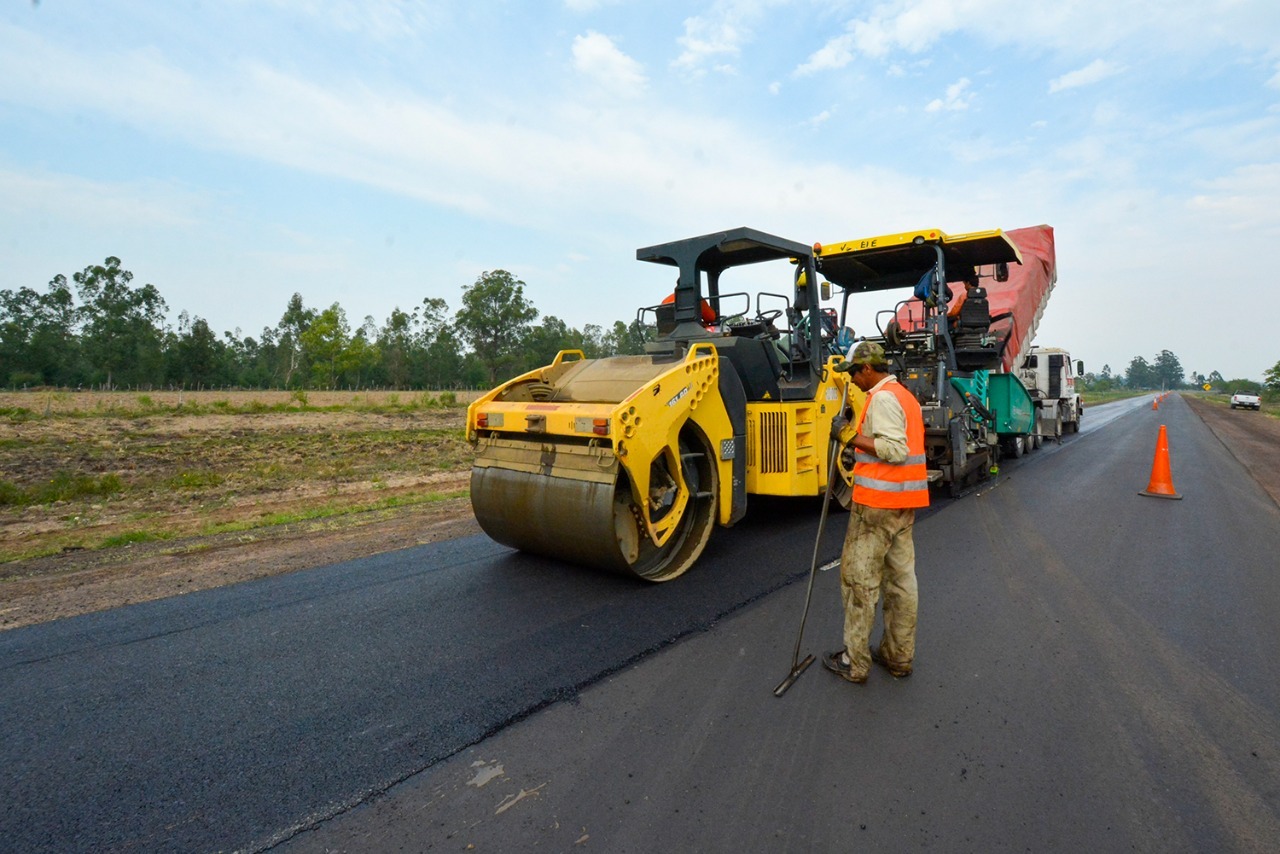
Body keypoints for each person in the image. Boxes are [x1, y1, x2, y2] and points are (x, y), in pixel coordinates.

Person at [824, 341, 929, 684]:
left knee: (859, 584)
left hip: (876, 508)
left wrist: (848, 436)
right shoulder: (904, 396)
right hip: (902, 505)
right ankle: (898, 657)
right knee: (900, 584)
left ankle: (854, 662)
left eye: (854, 373)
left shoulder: (882, 398)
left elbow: (895, 450)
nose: (852, 380)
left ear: (868, 369)